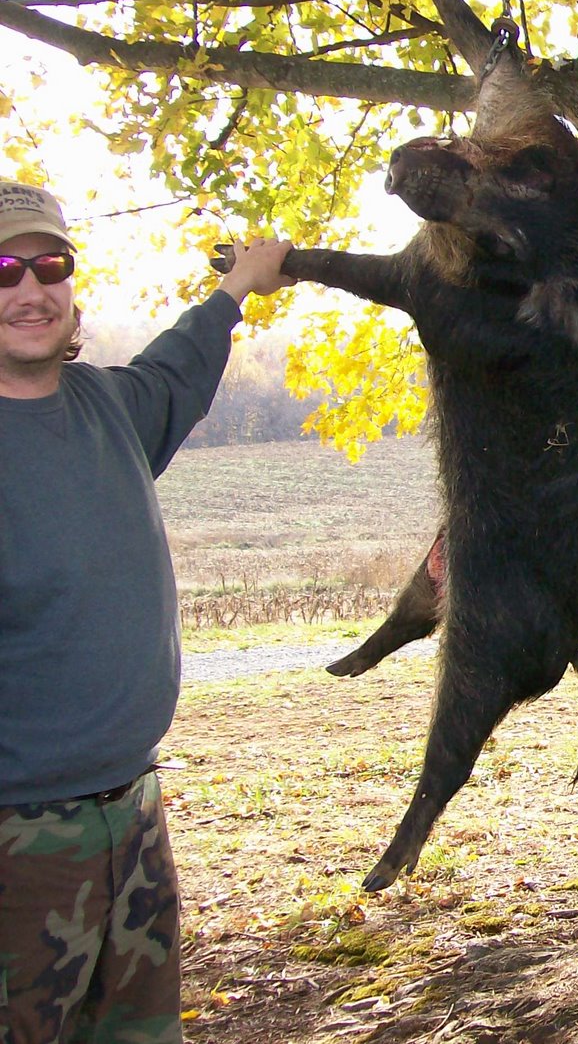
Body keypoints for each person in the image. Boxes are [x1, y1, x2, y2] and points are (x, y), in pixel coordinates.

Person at [0, 179, 293, 1044]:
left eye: (49, 265)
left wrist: (236, 288)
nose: (30, 289)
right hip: (18, 843)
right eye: (3, 271)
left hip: (132, 819)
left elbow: (179, 367)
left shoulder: (110, 406)